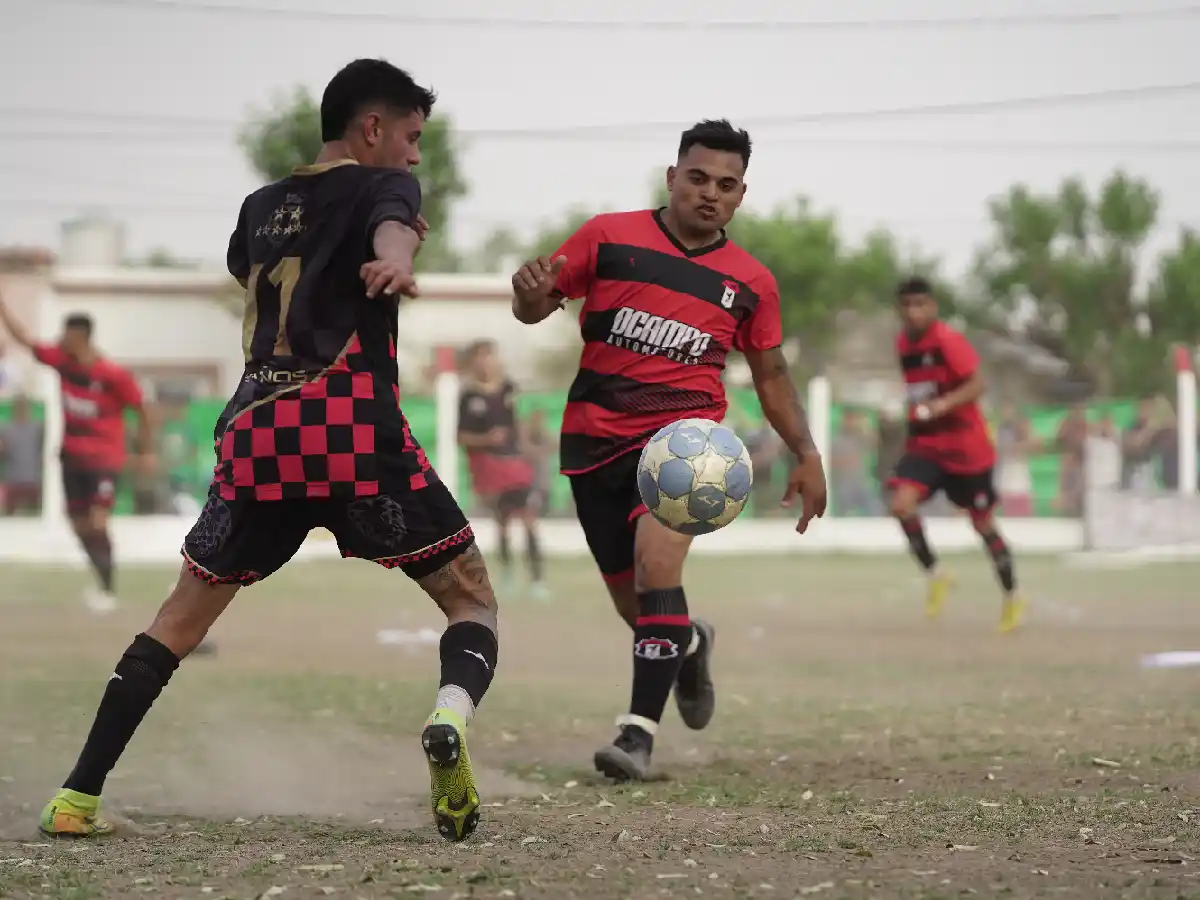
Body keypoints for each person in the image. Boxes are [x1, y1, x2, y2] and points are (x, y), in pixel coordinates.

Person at [37, 58, 499, 844]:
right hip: (353, 430)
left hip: (260, 430)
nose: (416, 158)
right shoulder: (383, 189)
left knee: (177, 621)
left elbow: (247, 268)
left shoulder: (258, 207)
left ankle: (77, 797)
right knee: (471, 601)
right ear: (373, 128)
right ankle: (449, 718)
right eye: (412, 138)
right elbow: (393, 223)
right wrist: (398, 257)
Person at [510, 119, 828, 781]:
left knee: (660, 569)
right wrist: (529, 293)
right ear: (672, 177)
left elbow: (770, 374)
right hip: (593, 440)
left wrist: (806, 450)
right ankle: (686, 641)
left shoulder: (751, 282)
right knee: (636, 606)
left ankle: (637, 735)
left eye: (727, 185)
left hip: (685, 443)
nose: (710, 193)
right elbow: (537, 307)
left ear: (741, 196)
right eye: (699, 178)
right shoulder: (608, 237)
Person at [886, 276, 1027, 633]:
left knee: (982, 523)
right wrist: (913, 410)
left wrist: (939, 406)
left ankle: (1012, 597)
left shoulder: (948, 340)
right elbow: (920, 390)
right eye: (907, 306)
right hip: (928, 446)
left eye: (921, 305)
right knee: (901, 504)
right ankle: (937, 574)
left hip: (967, 450)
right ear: (900, 310)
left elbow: (978, 384)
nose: (914, 312)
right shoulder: (903, 343)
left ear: (932, 307)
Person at [0, 305, 153, 612]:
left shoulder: (111, 375)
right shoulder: (63, 363)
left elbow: (142, 408)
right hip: (71, 458)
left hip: (104, 460)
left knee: (97, 523)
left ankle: (108, 590)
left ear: (81, 337)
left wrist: (145, 450)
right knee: (80, 526)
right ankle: (102, 585)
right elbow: (25, 339)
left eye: (66, 335)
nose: (60, 340)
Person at [455, 339, 548, 600]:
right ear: (474, 362)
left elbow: (518, 423)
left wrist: (529, 445)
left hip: (515, 463)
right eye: (481, 357)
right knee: (504, 522)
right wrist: (487, 439)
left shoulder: (509, 388)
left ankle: (537, 579)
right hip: (490, 465)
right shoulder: (468, 396)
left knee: (529, 519)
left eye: (490, 356)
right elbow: (460, 437)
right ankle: (507, 575)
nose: (487, 362)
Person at [0, 393, 44, 516]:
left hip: (32, 480)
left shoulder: (37, 428)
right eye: (19, 407)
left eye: (24, 407)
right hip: (14, 480)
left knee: (36, 516)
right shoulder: (5, 429)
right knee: (9, 517)